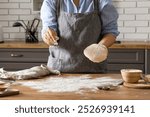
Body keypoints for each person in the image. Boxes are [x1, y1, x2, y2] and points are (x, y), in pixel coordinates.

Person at [40, 0, 119, 73]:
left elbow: (110, 32)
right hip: (58, 71)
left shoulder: (102, 2)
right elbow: (48, 29)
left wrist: (99, 47)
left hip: (94, 71)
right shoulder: (51, 1)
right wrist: (48, 37)